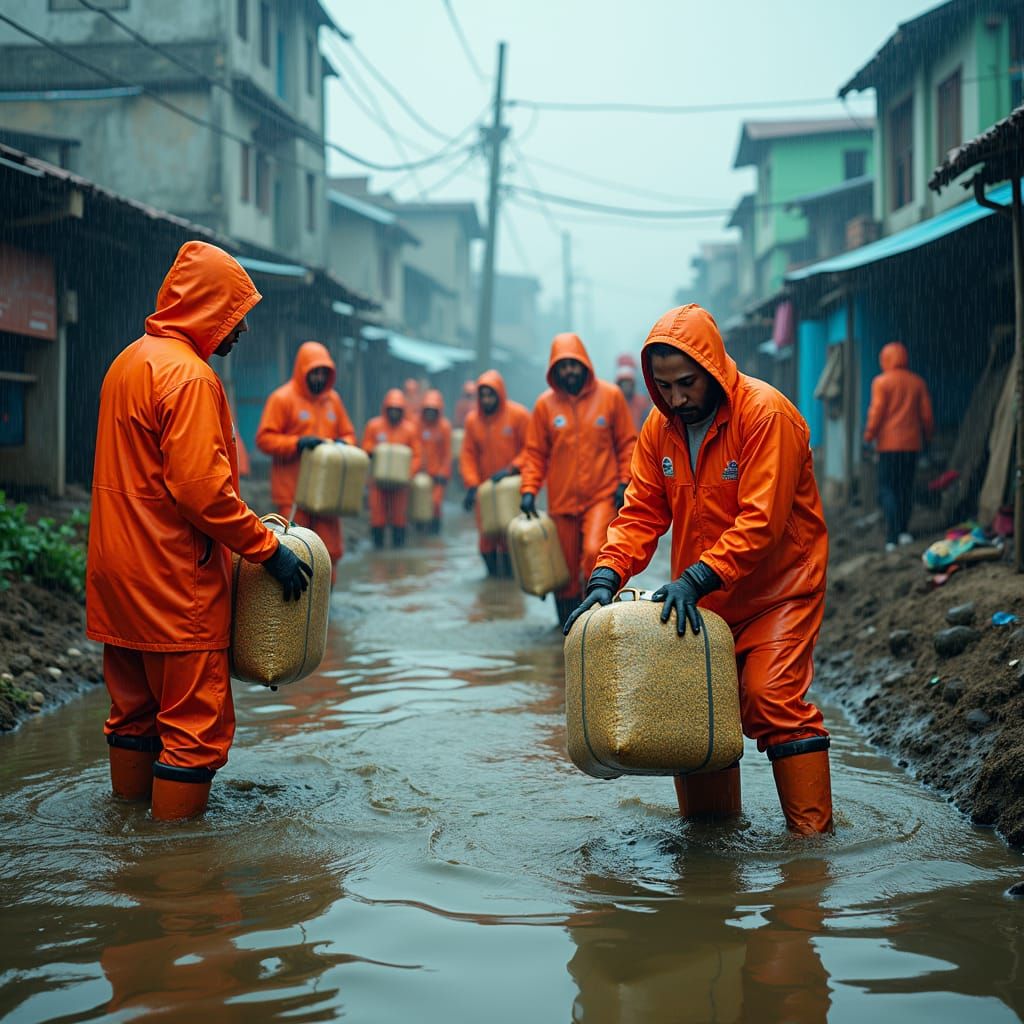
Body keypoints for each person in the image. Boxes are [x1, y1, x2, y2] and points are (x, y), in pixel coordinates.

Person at [564, 304, 833, 835]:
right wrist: (605, 577)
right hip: (705, 600)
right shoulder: (660, 429)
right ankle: (713, 848)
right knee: (692, 709)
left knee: (770, 697)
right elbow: (640, 512)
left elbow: (762, 522)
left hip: (779, 591)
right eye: (663, 386)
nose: (676, 397)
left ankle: (812, 851)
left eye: (686, 383)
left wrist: (693, 579)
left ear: (712, 368)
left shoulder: (766, 415)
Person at [86, 241, 312, 822]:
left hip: (118, 578)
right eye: (235, 317)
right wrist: (269, 552)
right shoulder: (190, 378)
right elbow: (200, 493)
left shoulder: (127, 362)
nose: (240, 333)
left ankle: (126, 837)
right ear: (207, 309)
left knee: (132, 716)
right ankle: (177, 881)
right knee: (193, 731)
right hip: (173, 584)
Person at [519, 334, 637, 623]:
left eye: (574, 364)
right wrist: (529, 490)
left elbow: (627, 444)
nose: (569, 371)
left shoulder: (610, 397)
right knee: (564, 573)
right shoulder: (545, 405)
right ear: (554, 370)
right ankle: (566, 635)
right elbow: (535, 453)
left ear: (585, 363)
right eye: (563, 366)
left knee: (595, 552)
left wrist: (624, 482)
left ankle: (597, 625)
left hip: (601, 495)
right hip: (561, 502)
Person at [254, 341, 356, 583]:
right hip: (293, 495)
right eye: (315, 371)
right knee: (296, 553)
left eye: (324, 372)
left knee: (329, 554)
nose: (319, 376)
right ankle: (298, 616)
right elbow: (264, 440)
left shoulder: (334, 401)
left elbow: (349, 434)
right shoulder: (282, 398)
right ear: (302, 370)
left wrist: (343, 445)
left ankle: (326, 613)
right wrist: (297, 444)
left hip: (327, 496)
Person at [863, 341, 934, 552]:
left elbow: (876, 413)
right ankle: (903, 531)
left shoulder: (881, 382)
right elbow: (927, 416)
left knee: (887, 488)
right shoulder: (917, 382)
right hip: (911, 446)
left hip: (887, 447)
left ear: (884, 359)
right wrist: (928, 438)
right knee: (905, 488)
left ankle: (892, 535)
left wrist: (868, 436)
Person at [460, 369, 530, 577]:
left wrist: (512, 468)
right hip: (486, 491)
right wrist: (472, 485)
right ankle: (493, 580)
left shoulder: (518, 415)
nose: (487, 399)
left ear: (500, 393)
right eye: (483, 395)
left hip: (510, 488)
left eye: (491, 394)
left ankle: (508, 584)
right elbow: (468, 455)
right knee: (486, 541)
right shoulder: (473, 421)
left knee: (510, 538)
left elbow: (532, 448)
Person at [361, 388, 422, 548]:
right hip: (377, 482)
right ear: (386, 408)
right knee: (377, 517)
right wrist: (373, 451)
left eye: (397, 409)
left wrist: (408, 474)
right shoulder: (374, 426)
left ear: (402, 410)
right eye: (391, 409)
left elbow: (416, 455)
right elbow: (366, 446)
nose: (394, 413)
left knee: (399, 518)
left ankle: (398, 550)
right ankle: (378, 549)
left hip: (400, 484)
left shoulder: (410, 429)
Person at [418, 388, 453, 534]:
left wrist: (444, 473)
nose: (430, 413)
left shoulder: (444, 427)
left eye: (434, 409)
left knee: (435, 504)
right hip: (420, 474)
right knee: (418, 504)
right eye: (428, 409)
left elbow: (447, 454)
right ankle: (419, 532)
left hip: (437, 475)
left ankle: (434, 533)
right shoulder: (416, 425)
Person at [615, 364, 652, 432]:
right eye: (623, 383)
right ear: (619, 385)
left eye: (628, 383)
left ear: (633, 384)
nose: (626, 386)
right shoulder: (614, 404)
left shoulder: (643, 402)